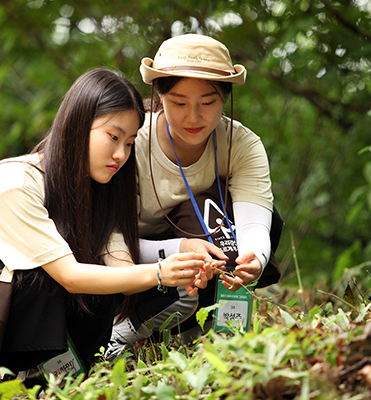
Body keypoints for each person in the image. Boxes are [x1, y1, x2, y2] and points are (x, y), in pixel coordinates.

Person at [0, 68, 219, 379]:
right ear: (77, 125)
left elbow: (122, 269)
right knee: (44, 277)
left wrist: (175, 271)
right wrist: (158, 272)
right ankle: (30, 370)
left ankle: (56, 369)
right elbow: (70, 277)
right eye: (113, 137)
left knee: (105, 283)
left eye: (130, 143)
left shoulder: (94, 191)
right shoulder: (16, 184)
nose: (121, 154)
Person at [106, 34, 280, 358]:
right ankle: (123, 329)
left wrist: (254, 258)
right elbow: (107, 240)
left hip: (199, 247)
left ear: (225, 98)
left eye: (208, 102)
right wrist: (179, 249)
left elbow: (256, 220)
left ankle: (214, 328)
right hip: (129, 258)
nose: (194, 117)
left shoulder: (242, 144)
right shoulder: (129, 145)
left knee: (253, 220)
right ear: (159, 97)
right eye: (179, 102)